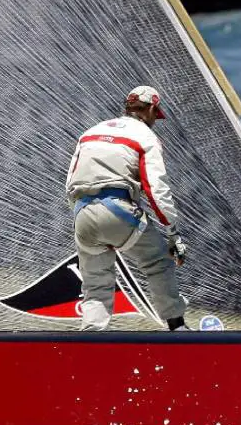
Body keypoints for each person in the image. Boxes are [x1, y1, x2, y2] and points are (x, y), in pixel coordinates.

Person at [66, 85, 190, 332]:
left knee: (96, 283)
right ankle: (178, 328)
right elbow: (156, 190)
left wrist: (86, 215)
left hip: (82, 212)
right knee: (158, 262)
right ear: (152, 108)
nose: (156, 120)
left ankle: (91, 336)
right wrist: (173, 233)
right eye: (156, 114)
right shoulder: (146, 137)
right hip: (118, 210)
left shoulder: (91, 132)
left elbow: (70, 181)